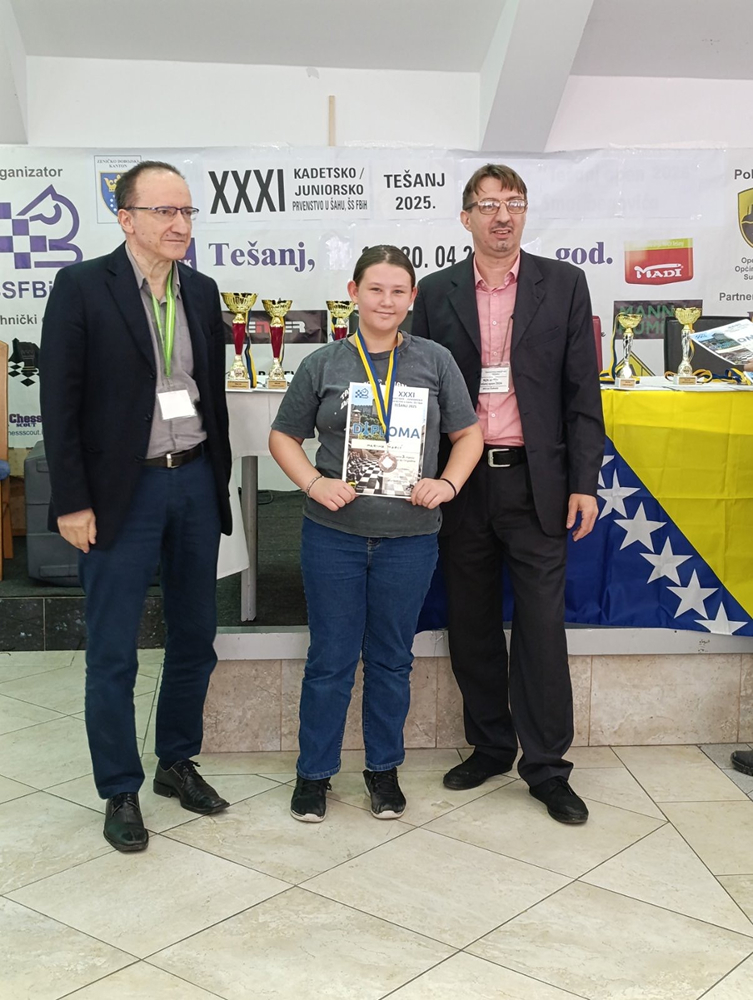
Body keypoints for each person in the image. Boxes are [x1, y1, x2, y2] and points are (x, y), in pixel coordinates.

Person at [39, 161, 233, 851]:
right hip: (123, 491)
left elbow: (208, 392)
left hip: (194, 481)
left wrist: (216, 484)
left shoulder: (201, 291)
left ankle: (176, 762)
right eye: (164, 212)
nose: (180, 224)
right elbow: (58, 401)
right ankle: (120, 787)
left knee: (195, 635)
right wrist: (71, 501)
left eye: (187, 212)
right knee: (115, 649)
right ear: (126, 219)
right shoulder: (82, 286)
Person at [410, 164, 604, 824]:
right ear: (465, 217)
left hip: (536, 481)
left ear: (524, 213)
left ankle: (546, 767)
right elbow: (418, 392)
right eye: (488, 204)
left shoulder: (563, 284)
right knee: (470, 622)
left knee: (541, 629)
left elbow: (582, 393)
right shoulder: (434, 292)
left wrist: (584, 483)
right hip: (461, 481)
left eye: (513, 203)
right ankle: (490, 745)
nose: (502, 215)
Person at [269, 245, 483, 823]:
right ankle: (314, 774)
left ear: (412, 298)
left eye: (397, 291)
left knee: (391, 660)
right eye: (375, 289)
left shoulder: (435, 360)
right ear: (354, 293)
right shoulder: (324, 363)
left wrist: (449, 484)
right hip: (333, 536)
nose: (386, 301)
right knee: (330, 660)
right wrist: (314, 483)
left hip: (410, 539)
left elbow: (468, 434)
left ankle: (383, 771)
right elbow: (284, 436)